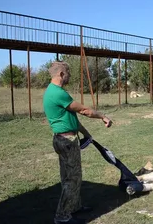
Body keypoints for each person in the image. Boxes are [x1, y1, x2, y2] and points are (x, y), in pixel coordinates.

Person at [43, 61, 112, 224]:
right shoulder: (57, 93)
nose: (69, 77)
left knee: (69, 176)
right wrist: (103, 116)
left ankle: (74, 207)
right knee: (72, 178)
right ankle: (62, 217)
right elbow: (84, 111)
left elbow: (72, 118)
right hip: (66, 141)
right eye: (68, 73)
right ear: (61, 74)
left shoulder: (53, 92)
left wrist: (87, 134)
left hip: (65, 139)